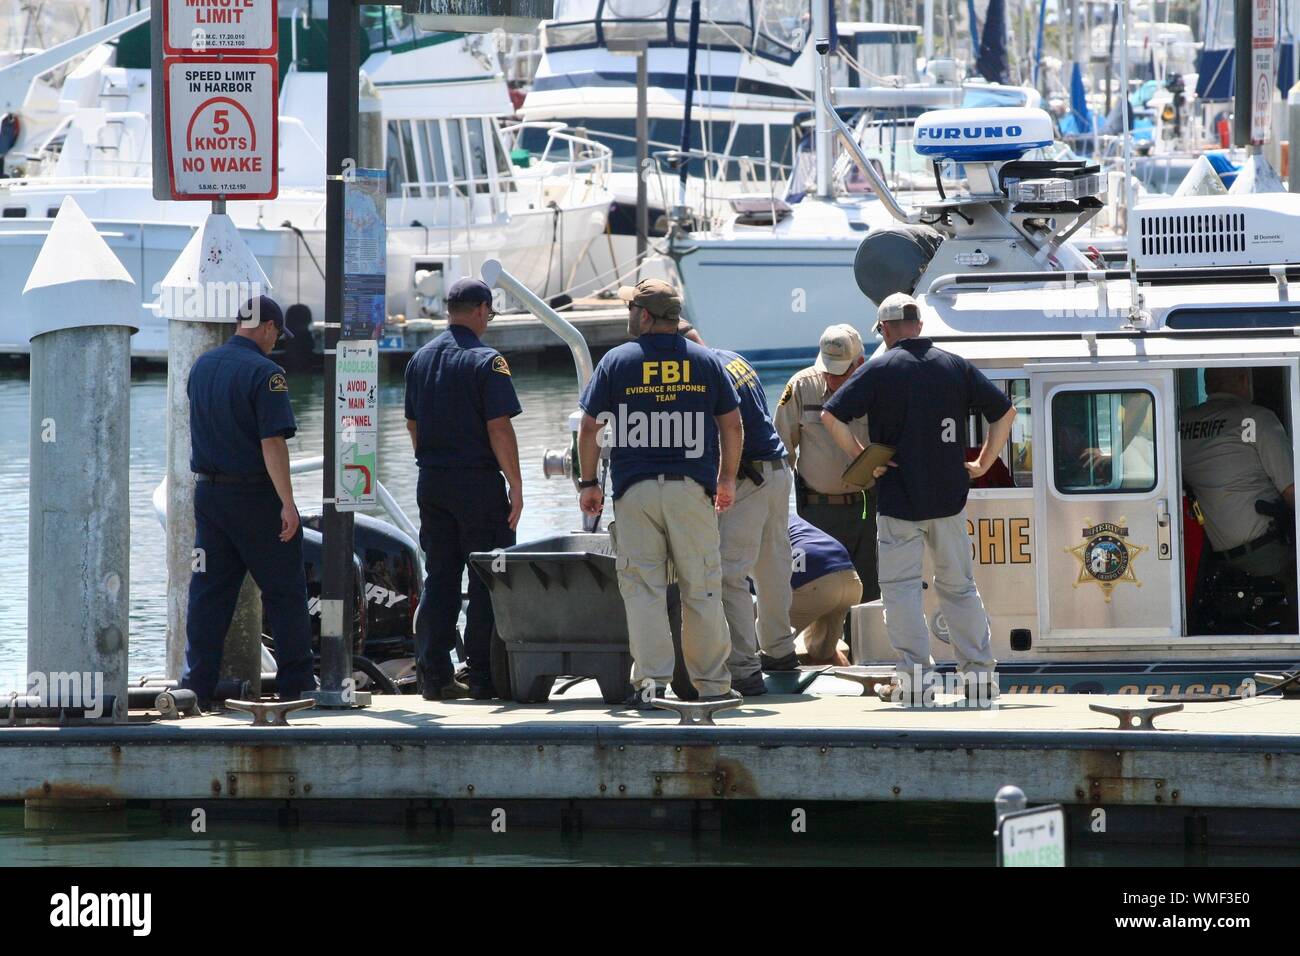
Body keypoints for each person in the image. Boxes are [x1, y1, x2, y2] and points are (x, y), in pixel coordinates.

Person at [821, 293, 1015, 705]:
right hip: (949, 497)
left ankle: (916, 683)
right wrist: (981, 462)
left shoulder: (880, 368)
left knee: (902, 591)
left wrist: (863, 459)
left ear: (886, 329)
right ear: (920, 325)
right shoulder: (955, 365)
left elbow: (830, 416)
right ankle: (980, 679)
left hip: (899, 500)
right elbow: (1005, 413)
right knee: (960, 589)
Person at [576, 279, 742, 708]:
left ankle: (651, 686)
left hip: (635, 492)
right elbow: (732, 425)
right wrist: (726, 480)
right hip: (691, 491)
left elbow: (590, 426)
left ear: (645, 315)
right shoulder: (706, 362)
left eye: (632, 308)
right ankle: (713, 686)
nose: (629, 314)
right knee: (701, 587)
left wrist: (589, 482)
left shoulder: (616, 362)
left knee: (643, 589)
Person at [181, 295, 315, 709]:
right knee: (285, 592)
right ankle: (296, 687)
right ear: (270, 327)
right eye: (277, 335)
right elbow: (271, 442)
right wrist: (287, 504)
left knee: (208, 595)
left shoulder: (201, 366)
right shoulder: (266, 373)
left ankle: (196, 687)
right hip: (254, 497)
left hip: (208, 495)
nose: (276, 342)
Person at [404, 277, 523, 701]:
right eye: (489, 313)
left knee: (440, 578)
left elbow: (413, 425)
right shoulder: (487, 361)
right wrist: (516, 483)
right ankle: (483, 675)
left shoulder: (419, 360)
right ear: (480, 310)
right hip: (477, 484)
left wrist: (434, 461)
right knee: (490, 578)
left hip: (431, 480)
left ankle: (433, 676)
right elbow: (499, 428)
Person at [680, 320, 797, 696]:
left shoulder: (704, 371)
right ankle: (780, 651)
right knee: (772, 565)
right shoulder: (733, 358)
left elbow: (726, 430)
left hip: (749, 478)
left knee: (729, 575)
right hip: (778, 471)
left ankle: (744, 669)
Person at [774, 324, 879, 603]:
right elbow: (781, 450)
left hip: (867, 509)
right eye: (827, 370)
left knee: (870, 592)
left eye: (841, 371)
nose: (832, 378)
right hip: (817, 513)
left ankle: (864, 646)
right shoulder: (800, 386)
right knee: (821, 594)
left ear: (860, 363)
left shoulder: (877, 388)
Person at [1181, 367, 1295, 580]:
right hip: (1267, 551)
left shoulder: (1182, 423)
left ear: (1206, 385)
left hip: (1216, 556)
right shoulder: (1257, 418)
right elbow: (1292, 491)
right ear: (1244, 380)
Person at [788, 515, 862, 665]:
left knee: (755, 648)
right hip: (851, 580)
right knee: (824, 654)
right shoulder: (785, 515)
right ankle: (856, 685)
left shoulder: (739, 526)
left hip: (816, 584)